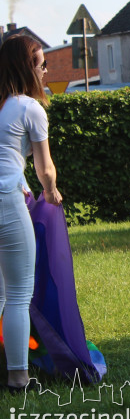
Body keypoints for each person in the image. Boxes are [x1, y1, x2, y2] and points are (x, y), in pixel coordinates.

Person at [0, 36, 62, 393]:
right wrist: (51, 192)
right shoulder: (29, 108)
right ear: (27, 67)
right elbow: (45, 168)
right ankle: (19, 379)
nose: (44, 69)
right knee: (18, 296)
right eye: (40, 63)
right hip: (7, 202)